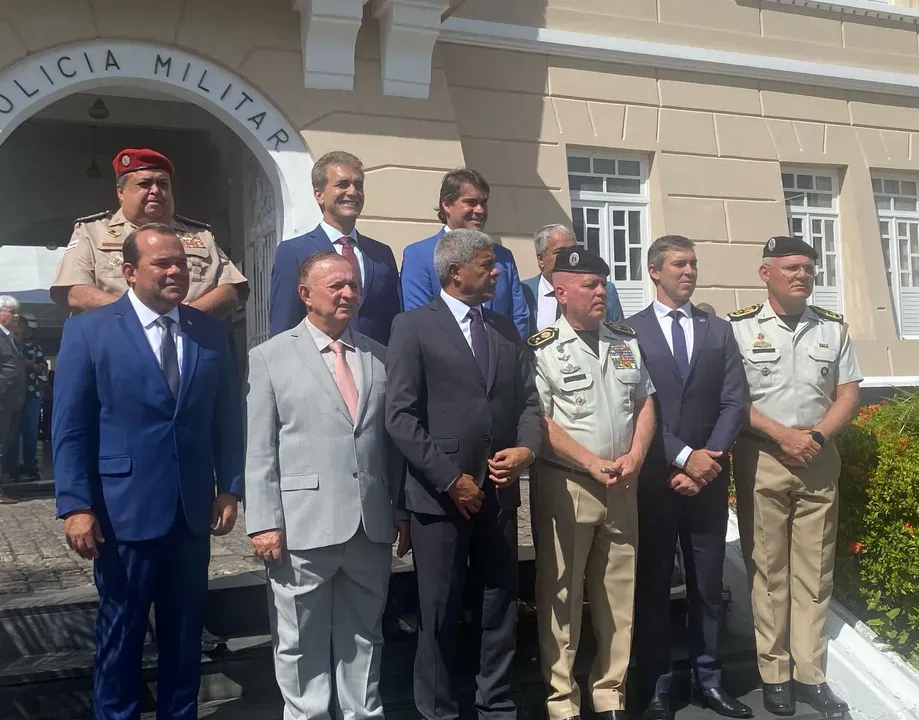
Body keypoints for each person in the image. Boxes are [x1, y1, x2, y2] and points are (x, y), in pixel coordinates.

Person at [53, 223, 244, 720]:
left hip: (190, 511)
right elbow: (70, 426)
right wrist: (75, 505)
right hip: (122, 512)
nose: (176, 270)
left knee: (185, 635)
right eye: (163, 263)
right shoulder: (89, 330)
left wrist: (230, 488)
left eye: (181, 262)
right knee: (122, 634)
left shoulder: (209, 332)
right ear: (130, 271)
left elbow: (226, 417)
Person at [245, 250, 410, 720]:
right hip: (301, 528)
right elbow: (260, 450)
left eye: (353, 285)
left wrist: (398, 511)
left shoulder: (379, 358)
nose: (348, 293)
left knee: (366, 637)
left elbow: (388, 447)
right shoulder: (270, 358)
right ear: (305, 294)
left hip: (369, 526)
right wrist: (264, 523)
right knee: (299, 642)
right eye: (336, 285)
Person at [385, 228, 542, 720]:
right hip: (440, 498)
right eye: (487, 264)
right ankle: (438, 709)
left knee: (499, 604)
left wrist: (526, 450)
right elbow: (400, 416)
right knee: (440, 610)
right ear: (456, 272)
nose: (497, 271)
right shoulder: (413, 326)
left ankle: (495, 702)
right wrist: (451, 479)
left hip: (498, 493)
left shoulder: (503, 327)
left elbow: (529, 403)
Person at [729, 236, 861, 717]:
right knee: (769, 570)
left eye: (808, 267)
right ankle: (775, 673)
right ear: (766, 274)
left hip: (819, 457)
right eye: (791, 268)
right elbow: (734, 401)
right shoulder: (740, 329)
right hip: (763, 456)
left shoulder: (832, 328)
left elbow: (848, 391)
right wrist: (784, 436)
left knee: (814, 570)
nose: (802, 275)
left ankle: (811, 673)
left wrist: (817, 438)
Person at [624, 236, 750, 720]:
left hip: (709, 480)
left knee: (706, 583)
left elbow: (734, 401)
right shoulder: (628, 332)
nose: (689, 271)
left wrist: (707, 460)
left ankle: (708, 681)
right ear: (654, 271)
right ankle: (657, 683)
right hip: (654, 479)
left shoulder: (718, 330)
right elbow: (635, 406)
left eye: (694, 264)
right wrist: (681, 457)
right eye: (679, 264)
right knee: (653, 585)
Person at [527, 248, 656, 720]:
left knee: (618, 594)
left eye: (603, 283)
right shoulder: (542, 348)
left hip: (624, 483)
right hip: (568, 486)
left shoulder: (625, 340)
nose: (601, 291)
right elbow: (540, 421)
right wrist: (591, 462)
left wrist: (636, 455)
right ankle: (562, 700)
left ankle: (610, 694)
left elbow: (644, 402)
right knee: (560, 594)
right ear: (561, 292)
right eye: (589, 284)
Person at [50, 148, 248, 320]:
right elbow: (73, 291)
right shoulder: (91, 232)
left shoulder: (201, 236)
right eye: (144, 184)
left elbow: (231, 290)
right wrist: (139, 318)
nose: (155, 191)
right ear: (120, 192)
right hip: (116, 342)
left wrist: (183, 318)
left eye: (163, 184)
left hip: (189, 342)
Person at [269, 151, 402, 345]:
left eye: (358, 185)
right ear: (319, 195)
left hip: (376, 369)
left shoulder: (381, 254)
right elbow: (283, 325)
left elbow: (394, 321)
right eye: (342, 184)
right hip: (317, 369)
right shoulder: (293, 252)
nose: (353, 192)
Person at [400, 168, 530, 338]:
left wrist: (507, 357)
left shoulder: (503, 257)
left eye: (483, 202)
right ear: (446, 205)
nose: (480, 210)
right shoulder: (420, 255)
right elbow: (419, 321)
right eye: (471, 202)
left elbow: (519, 316)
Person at [522, 224, 624, 334]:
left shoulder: (605, 290)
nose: (569, 256)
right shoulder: (524, 291)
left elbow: (619, 338)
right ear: (541, 259)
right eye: (559, 252)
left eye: (573, 250)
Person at [5, 314, 47, 482]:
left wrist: (34, 366)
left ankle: (30, 467)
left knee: (30, 432)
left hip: (32, 395)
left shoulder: (33, 346)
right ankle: (12, 468)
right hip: (12, 395)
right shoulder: (7, 345)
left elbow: (43, 368)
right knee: (11, 433)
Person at [0, 296, 24, 502]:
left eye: (17, 311)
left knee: (6, 442)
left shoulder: (11, 336)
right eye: (10, 311)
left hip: (13, 400)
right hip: (3, 399)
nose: (16, 315)